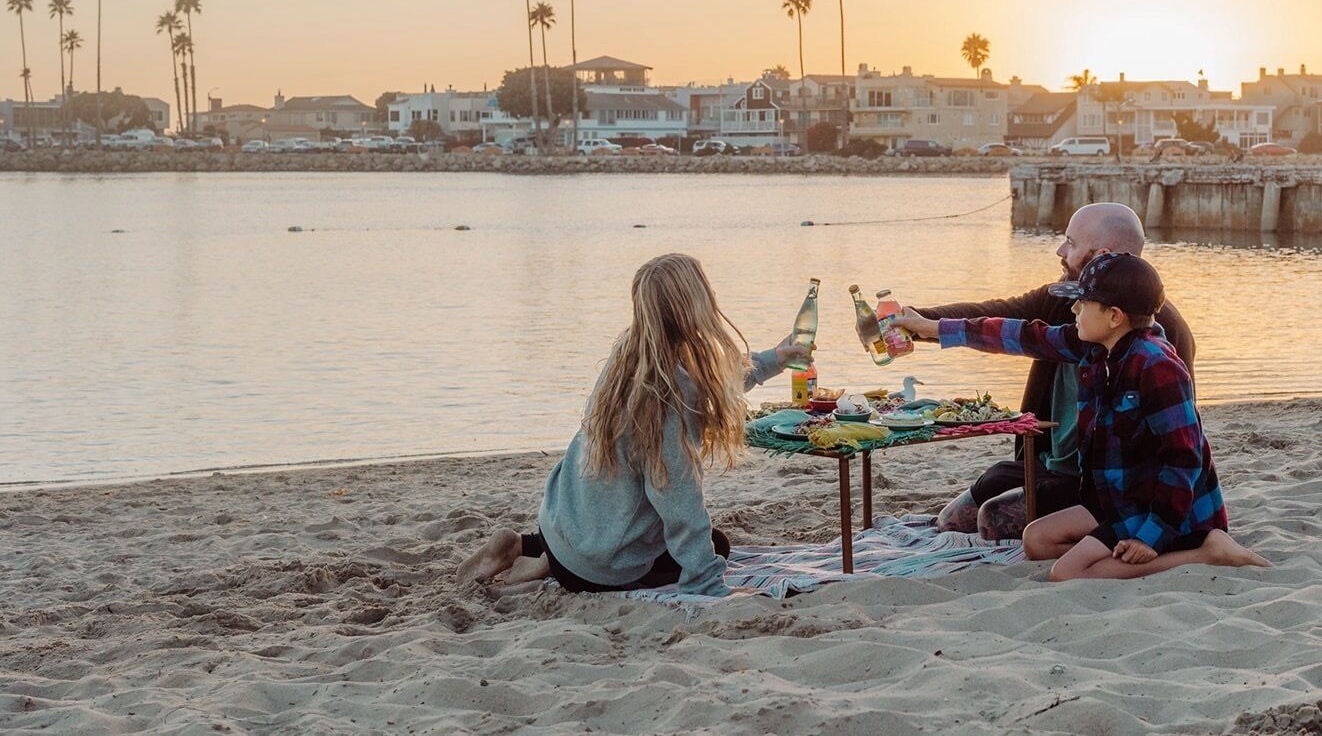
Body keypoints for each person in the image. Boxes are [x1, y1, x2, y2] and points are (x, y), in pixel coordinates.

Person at [892, 252, 1267, 580]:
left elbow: (1184, 459)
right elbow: (1020, 335)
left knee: (1066, 573)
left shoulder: (1158, 365)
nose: (1073, 311)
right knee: (1036, 539)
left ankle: (1207, 553)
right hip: (1115, 502)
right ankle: (1126, 551)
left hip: (1163, 511)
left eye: (1082, 304)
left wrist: (1150, 536)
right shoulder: (1093, 346)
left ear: (1114, 316)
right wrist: (929, 328)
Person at [457, 253, 811, 596]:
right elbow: (679, 503)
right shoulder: (668, 396)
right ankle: (550, 566)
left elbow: (712, 379)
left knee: (646, 525)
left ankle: (527, 547)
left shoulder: (630, 355)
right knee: (716, 545)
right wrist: (705, 582)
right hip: (594, 568)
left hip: (560, 525)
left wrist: (773, 360)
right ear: (694, 307)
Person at [909, 202, 1194, 541]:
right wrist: (916, 323)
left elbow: (1178, 450)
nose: (1060, 250)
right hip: (1049, 463)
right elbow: (1005, 322)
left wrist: (1151, 533)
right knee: (953, 519)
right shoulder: (1069, 302)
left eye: (1071, 243)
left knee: (993, 518)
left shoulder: (1157, 341)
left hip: (1112, 484)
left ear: (1099, 255)